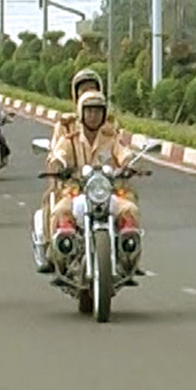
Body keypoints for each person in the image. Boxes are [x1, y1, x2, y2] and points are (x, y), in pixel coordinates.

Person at [41, 90, 140, 274]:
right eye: (89, 111)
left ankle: (128, 257)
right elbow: (58, 155)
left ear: (104, 114)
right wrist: (60, 165)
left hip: (106, 191)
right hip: (76, 191)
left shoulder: (111, 138)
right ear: (81, 113)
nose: (93, 116)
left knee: (130, 210)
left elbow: (123, 153)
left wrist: (128, 164)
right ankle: (60, 258)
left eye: (98, 111)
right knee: (60, 211)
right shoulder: (70, 140)